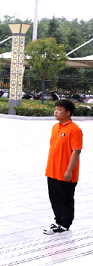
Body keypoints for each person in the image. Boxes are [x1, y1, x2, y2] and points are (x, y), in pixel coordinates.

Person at [44, 99, 83, 234]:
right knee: (54, 197)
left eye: (59, 110)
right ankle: (58, 222)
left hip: (65, 172)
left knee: (65, 198)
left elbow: (76, 151)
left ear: (68, 113)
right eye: (56, 109)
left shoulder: (74, 129)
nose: (56, 112)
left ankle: (65, 224)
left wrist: (69, 170)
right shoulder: (56, 127)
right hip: (52, 170)